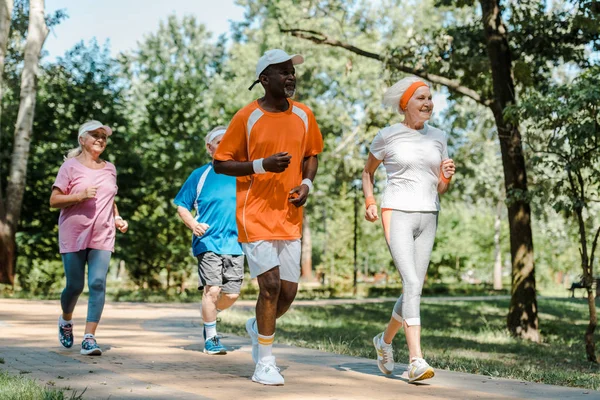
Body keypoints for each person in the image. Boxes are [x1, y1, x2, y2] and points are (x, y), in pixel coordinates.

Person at [213, 49, 323, 386]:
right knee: (270, 287)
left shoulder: (304, 114)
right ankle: (265, 362)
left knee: (287, 293)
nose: (291, 77)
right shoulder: (246, 116)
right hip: (255, 215)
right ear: (264, 79)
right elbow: (221, 162)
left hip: (289, 215)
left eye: (292, 72)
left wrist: (306, 184)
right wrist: (261, 165)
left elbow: (311, 155)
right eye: (283, 72)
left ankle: (257, 326)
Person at [362, 77, 456, 382]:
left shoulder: (439, 137)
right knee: (412, 282)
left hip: (429, 213)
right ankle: (416, 360)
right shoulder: (388, 136)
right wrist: (370, 201)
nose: (428, 103)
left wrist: (446, 176)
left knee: (413, 286)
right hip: (396, 211)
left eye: (430, 98)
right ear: (405, 104)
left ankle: (384, 341)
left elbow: (440, 188)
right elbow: (367, 172)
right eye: (421, 98)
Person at [50, 120, 129, 356]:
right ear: (82, 139)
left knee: (97, 283)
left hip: (103, 233)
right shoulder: (69, 168)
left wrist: (117, 217)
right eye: (95, 135)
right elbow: (54, 200)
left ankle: (89, 338)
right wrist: (80, 195)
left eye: (104, 136)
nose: (101, 139)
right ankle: (66, 320)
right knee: (74, 286)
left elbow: (110, 198)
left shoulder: (110, 168)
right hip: (73, 232)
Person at [174, 126, 244, 355]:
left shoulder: (242, 174)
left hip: (236, 242)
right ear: (209, 148)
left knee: (232, 294)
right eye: (219, 142)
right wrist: (193, 224)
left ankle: (210, 314)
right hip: (208, 241)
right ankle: (211, 336)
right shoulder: (200, 175)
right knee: (212, 290)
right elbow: (181, 205)